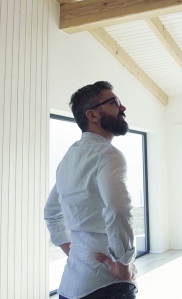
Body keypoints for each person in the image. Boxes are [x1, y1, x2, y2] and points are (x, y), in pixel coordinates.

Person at [45, 81, 137, 299]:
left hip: (70, 287)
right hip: (107, 285)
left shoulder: (68, 159)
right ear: (92, 116)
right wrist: (123, 265)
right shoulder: (108, 155)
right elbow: (117, 211)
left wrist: (73, 250)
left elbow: (51, 212)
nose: (122, 108)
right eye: (114, 103)